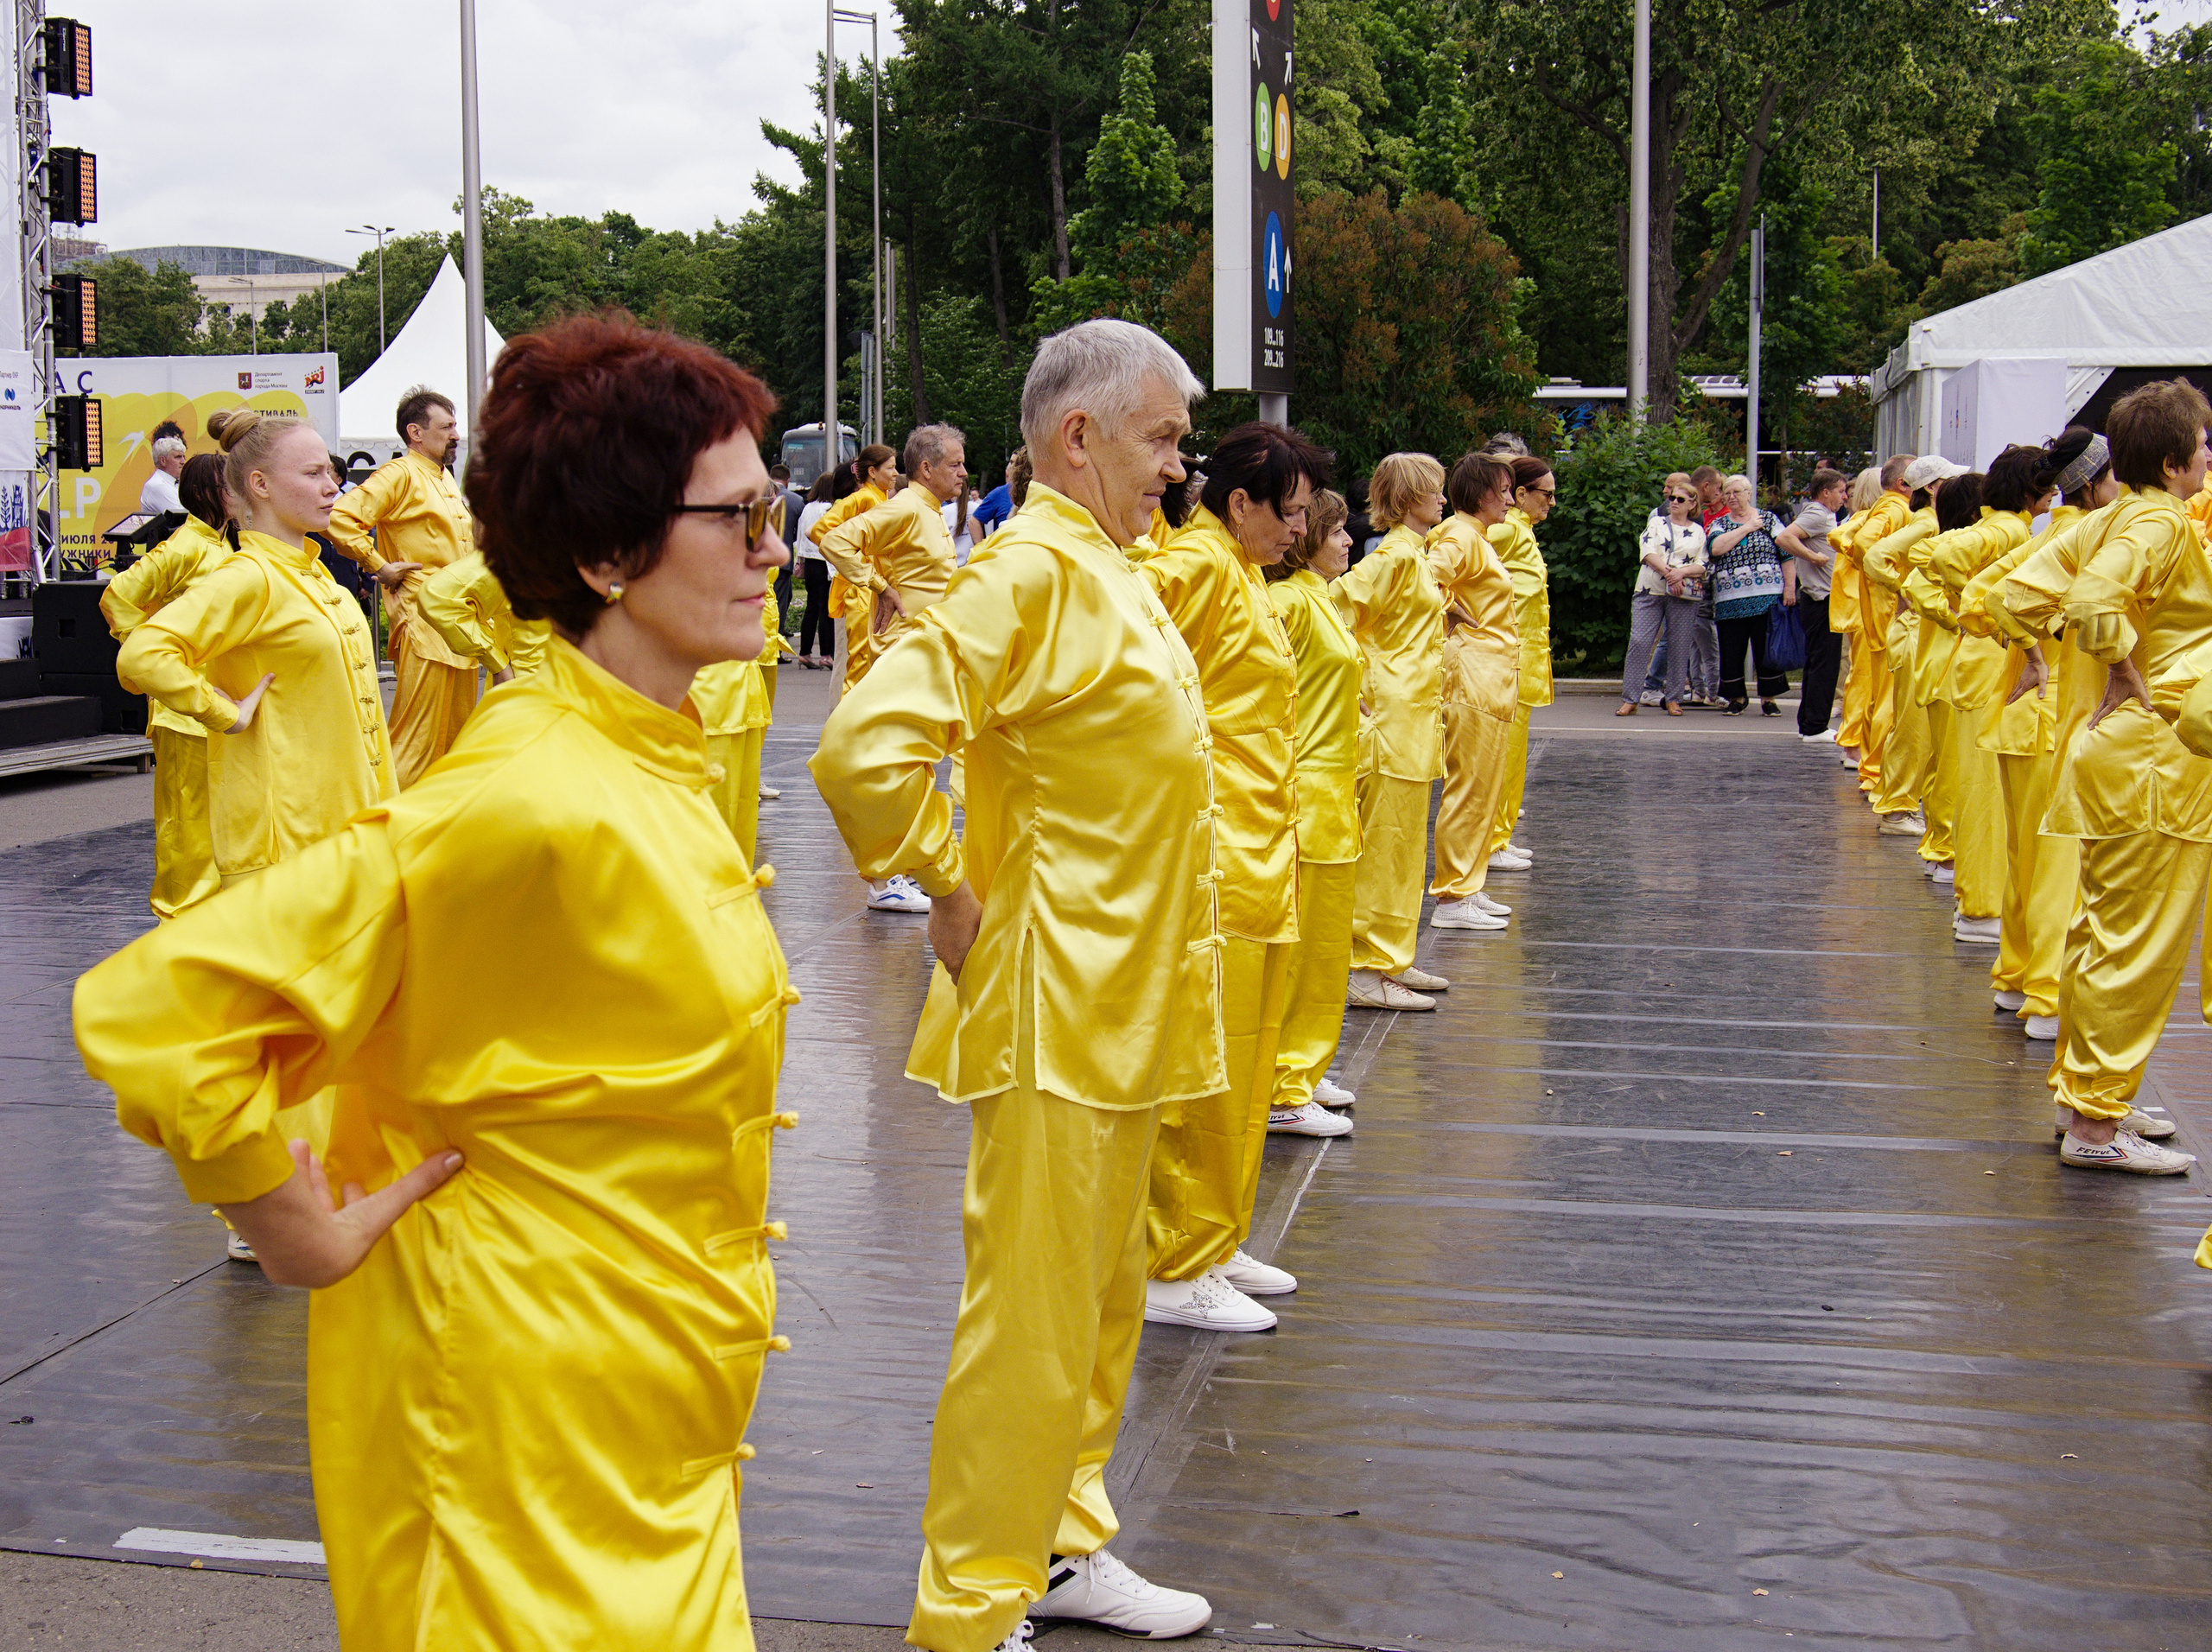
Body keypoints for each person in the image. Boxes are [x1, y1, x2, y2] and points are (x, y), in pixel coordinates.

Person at [77, 313, 798, 1649]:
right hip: (515, 1432)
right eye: (741, 519)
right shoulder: (524, 793)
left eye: (775, 513)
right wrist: (288, 1220)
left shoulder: (644, 753)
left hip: (643, 1419)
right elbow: (168, 1010)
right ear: (603, 553)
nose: (774, 554)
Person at [810, 317, 1222, 1649]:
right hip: (1056, 1002)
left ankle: (1060, 1543)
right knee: (1032, 1325)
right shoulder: (1028, 574)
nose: (1180, 464)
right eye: (1163, 437)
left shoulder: (1106, 569)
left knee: (1097, 1311)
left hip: (1125, 1003)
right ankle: (972, 1607)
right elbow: (870, 746)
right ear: (1079, 436)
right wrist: (946, 883)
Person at [1139, 421, 1331, 1337]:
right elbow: (1117, 635)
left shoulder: (1246, 573)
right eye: (1286, 512)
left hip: (1260, 846)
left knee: (1249, 1056)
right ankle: (1174, 1257)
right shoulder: (1196, 566)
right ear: (1240, 502)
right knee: (1208, 1066)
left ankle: (1215, 1236)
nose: (1297, 529)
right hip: (1216, 852)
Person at [2035, 379, 2212, 1175]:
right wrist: (2122, 663)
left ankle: (2092, 1100)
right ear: (2175, 462)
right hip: (2155, 758)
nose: (2210, 458)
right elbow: (2095, 596)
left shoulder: (2118, 516)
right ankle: (2098, 1126)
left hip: (2129, 755)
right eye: (2204, 446)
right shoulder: (2162, 522)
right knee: (2134, 945)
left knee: (2102, 935)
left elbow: (2014, 592)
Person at [115, 410, 396, 886]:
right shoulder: (248, 577)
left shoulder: (316, 575)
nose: (332, 486)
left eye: (329, 472)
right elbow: (142, 654)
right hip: (288, 847)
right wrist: (221, 711)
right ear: (260, 485)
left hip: (348, 833)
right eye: (313, 474)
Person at [1964, 429, 2118, 1040]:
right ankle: (2048, 996)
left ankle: (2017, 976)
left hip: (2023, 716)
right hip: (2052, 717)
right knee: (2054, 864)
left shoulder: (2045, 535)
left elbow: (1980, 598)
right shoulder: (2082, 538)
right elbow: (1993, 598)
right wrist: (2034, 650)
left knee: (2025, 858)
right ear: (2095, 482)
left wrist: (2024, 646)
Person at [1332, 452, 1450, 1008]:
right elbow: (1336, 606)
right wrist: (1359, 682)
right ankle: (1367, 962)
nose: (1443, 499)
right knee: (1385, 845)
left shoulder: (1414, 555)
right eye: (1434, 491)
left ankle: (1389, 955)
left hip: (1413, 714)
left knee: (1401, 845)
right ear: (1408, 499)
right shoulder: (1395, 558)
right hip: (1393, 715)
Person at [1262, 488, 1362, 1133]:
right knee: (1300, 950)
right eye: (1336, 531)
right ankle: (1280, 1085)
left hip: (1330, 794)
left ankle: (1301, 1066)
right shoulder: (1285, 603)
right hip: (1304, 794)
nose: (1349, 541)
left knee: (1325, 948)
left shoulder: (1316, 597)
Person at [1913, 448, 2042, 945]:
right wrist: (1976, 612)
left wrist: (1963, 606)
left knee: (1973, 785)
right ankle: (1982, 904)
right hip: (1988, 669)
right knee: (1985, 792)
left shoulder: (2007, 526)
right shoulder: (2010, 528)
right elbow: (1939, 558)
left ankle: (1976, 898)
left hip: (1976, 667)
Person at [101, 452, 236, 917]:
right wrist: (154, 658)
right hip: (183, 712)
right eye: (233, 483)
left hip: (215, 704)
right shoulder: (184, 546)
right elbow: (118, 596)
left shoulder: (224, 546)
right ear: (214, 493)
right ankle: (177, 917)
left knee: (214, 820)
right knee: (186, 822)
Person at [327, 386, 480, 787]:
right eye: (446, 427)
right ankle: (387, 830)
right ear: (415, 432)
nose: (455, 435)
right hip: (425, 618)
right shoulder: (399, 474)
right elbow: (340, 518)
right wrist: (379, 566)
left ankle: (440, 830)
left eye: (455, 426)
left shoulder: (443, 477)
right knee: (418, 738)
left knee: (457, 737)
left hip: (460, 623)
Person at [1427, 451, 1522, 927]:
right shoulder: (1460, 534)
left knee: (1483, 785)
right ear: (1481, 493)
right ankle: (1453, 894)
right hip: (1473, 677)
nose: (1510, 500)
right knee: (1470, 785)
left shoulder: (1475, 537)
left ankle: (1467, 883)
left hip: (1490, 676)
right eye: (1503, 491)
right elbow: (1426, 578)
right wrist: (1450, 608)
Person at [1863, 458, 1961, 848]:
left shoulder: (1926, 521)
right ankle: (1897, 807)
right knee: (1913, 726)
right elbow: (1873, 556)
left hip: (1918, 630)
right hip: (1916, 631)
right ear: (1935, 488)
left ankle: (1900, 804)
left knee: (1916, 724)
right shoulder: (1928, 522)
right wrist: (1905, 586)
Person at [1843, 454, 1926, 810]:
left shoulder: (1891, 508)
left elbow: (1850, 538)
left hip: (1882, 612)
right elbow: (1861, 543)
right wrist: (1897, 586)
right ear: (1903, 484)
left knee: (1882, 693)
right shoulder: (1895, 509)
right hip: (1890, 615)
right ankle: (1876, 771)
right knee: (1889, 697)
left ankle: (1872, 768)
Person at [1487, 454, 1554, 865]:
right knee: (1502, 755)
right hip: (1505, 660)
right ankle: (1492, 840)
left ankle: (1500, 837)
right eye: (1545, 494)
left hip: (1521, 660)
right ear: (1521, 493)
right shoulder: (1508, 529)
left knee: (1512, 755)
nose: (1551, 502)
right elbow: (1447, 547)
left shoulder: (1520, 531)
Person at [809, 443, 897, 689]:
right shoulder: (863, 498)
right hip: (860, 590)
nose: (896, 473)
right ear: (872, 471)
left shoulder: (880, 498)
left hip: (873, 588)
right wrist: (855, 560)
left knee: (867, 662)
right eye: (890, 467)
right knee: (859, 663)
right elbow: (818, 531)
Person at [1620, 476, 1707, 715]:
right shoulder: (1656, 523)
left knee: (1679, 645)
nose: (1674, 502)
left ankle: (1674, 698)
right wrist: (1671, 575)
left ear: (1692, 504)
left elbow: (1702, 564)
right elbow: (1648, 552)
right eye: (1672, 498)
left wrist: (1680, 574)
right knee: (1639, 642)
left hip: (1683, 595)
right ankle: (1631, 698)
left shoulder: (1698, 531)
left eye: (1680, 499)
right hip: (1650, 590)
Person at [1706, 474, 1789, 715]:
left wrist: (1790, 589)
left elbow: (1786, 554)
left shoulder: (1769, 519)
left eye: (1737, 492)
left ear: (1749, 494)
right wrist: (1748, 528)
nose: (1731, 497)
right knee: (1732, 649)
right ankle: (1736, 698)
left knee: (1766, 649)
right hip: (1730, 599)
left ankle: (1769, 699)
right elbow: (1716, 548)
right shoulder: (1720, 523)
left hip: (1767, 597)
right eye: (1727, 493)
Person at [1777, 467, 1848, 740]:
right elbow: (1784, 537)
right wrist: (1812, 556)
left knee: (1819, 661)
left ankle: (1808, 723)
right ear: (1825, 491)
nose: (1844, 497)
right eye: (1840, 491)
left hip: (1820, 597)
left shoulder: (1825, 515)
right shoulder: (1818, 513)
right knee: (1825, 663)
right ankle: (1815, 726)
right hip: (1821, 597)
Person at [1826, 465, 1885, 769]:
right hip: (1865, 609)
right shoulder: (1866, 521)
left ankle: (1857, 741)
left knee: (1864, 678)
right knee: (1864, 678)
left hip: (1862, 608)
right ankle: (1852, 744)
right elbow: (1837, 537)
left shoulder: (1865, 520)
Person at [792, 470, 843, 668]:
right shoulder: (829, 509)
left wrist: (800, 560)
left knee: (811, 607)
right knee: (825, 609)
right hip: (825, 562)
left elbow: (801, 534)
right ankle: (826, 654)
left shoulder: (807, 508)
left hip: (809, 561)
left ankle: (805, 652)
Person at [768, 461, 804, 624]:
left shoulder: (759, 496)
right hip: (783, 559)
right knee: (780, 602)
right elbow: (800, 531)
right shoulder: (796, 500)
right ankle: (777, 636)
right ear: (787, 481)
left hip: (762, 560)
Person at [138, 423, 188, 515]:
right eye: (177, 457)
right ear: (163, 461)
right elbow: (184, 518)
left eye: (183, 457)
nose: (183, 461)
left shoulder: (178, 483)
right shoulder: (158, 486)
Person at [970, 450, 1020, 541]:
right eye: (1011, 462)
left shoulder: (1037, 491)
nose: (1011, 466)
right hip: (1005, 551)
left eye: (1015, 463)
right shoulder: (999, 494)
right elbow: (973, 522)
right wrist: (982, 550)